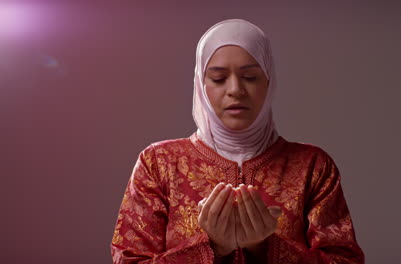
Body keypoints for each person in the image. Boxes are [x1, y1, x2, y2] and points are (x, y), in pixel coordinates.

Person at [110, 18, 365, 264]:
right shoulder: (158, 163)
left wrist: (264, 246)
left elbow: (343, 260)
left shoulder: (312, 166)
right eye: (219, 78)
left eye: (250, 77)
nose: (235, 89)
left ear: (269, 81)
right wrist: (212, 246)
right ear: (200, 84)